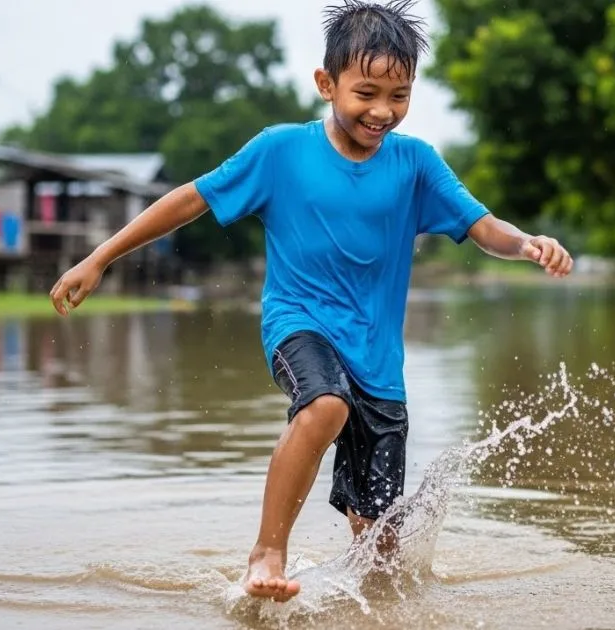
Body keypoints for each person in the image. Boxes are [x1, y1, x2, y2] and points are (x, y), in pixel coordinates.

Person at [48, 0, 573, 604]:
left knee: (381, 555)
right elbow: (191, 199)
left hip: (379, 363)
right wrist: (100, 257)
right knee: (325, 404)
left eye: (399, 96)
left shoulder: (416, 164)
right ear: (327, 84)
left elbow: (482, 226)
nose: (382, 111)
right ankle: (266, 553)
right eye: (366, 93)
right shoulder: (280, 151)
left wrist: (526, 244)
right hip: (299, 325)